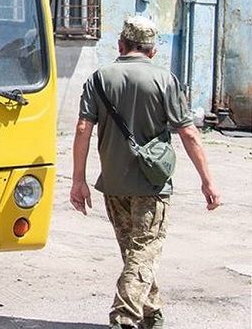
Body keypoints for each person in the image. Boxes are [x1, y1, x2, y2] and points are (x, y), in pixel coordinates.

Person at [70, 16, 221, 329]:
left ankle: (152, 316)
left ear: (120, 45)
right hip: (152, 184)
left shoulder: (99, 79)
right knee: (143, 252)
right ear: (152, 51)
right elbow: (189, 133)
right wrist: (207, 181)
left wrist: (78, 180)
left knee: (135, 253)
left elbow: (83, 128)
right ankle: (124, 318)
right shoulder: (165, 80)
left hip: (113, 184)